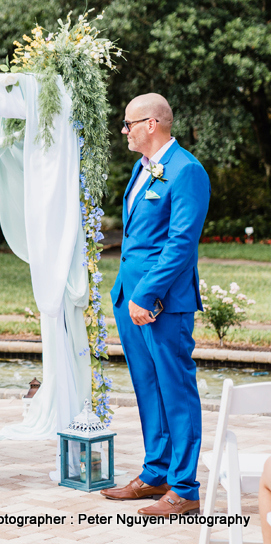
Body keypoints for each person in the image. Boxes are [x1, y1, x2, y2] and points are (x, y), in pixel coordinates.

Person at [101, 93, 210, 517]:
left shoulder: (187, 171)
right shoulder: (140, 169)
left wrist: (148, 295)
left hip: (162, 303)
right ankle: (155, 474)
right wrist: (128, 294)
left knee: (176, 391)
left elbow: (182, 243)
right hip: (130, 300)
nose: (124, 131)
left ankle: (184, 489)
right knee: (148, 389)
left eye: (128, 124)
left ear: (152, 124)